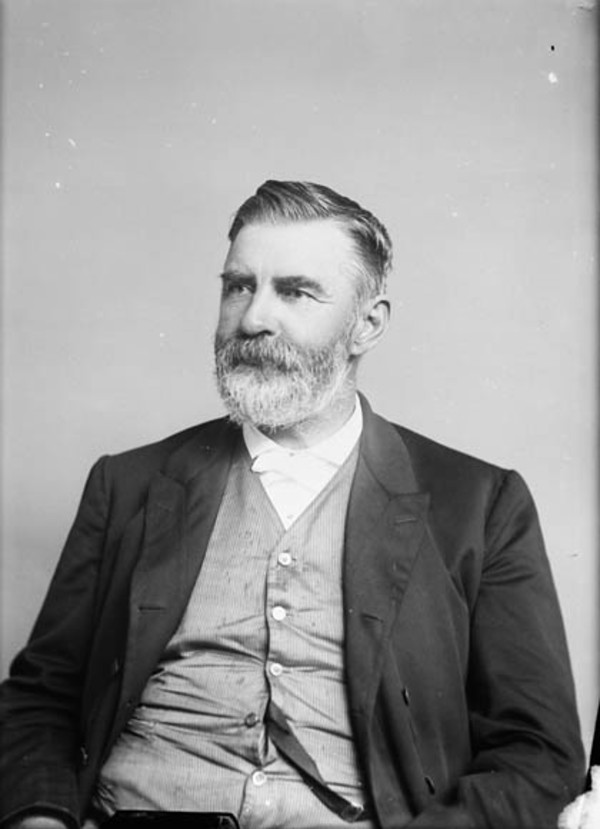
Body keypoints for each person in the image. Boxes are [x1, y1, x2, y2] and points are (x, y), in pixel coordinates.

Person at [0, 181, 585, 829]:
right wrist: (41, 820)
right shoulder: (128, 483)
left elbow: (539, 751)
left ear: (367, 324)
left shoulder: (478, 504)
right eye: (238, 286)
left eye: (296, 292)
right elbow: (41, 697)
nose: (253, 318)